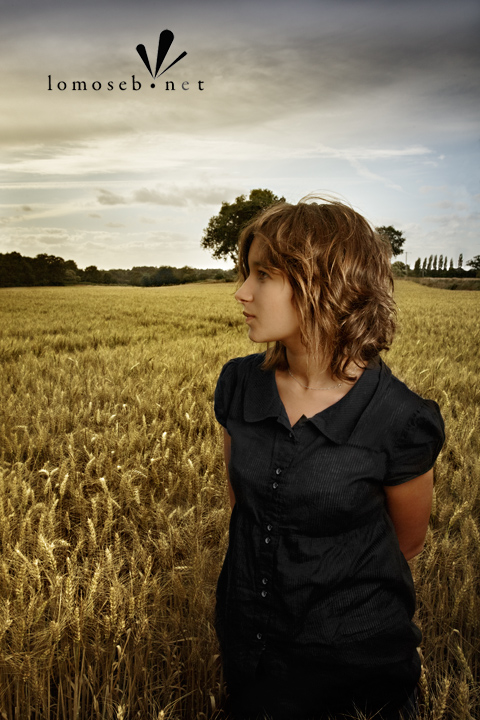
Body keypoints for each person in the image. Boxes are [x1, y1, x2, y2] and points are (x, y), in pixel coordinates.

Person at [213, 197, 445, 720]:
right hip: (251, 655)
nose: (241, 293)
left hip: (355, 673)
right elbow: (245, 509)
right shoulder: (239, 386)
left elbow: (405, 542)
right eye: (244, 272)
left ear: (326, 283)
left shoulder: (400, 419)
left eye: (263, 275)